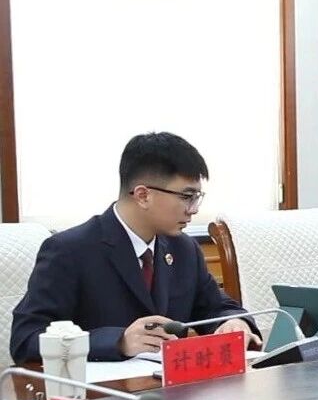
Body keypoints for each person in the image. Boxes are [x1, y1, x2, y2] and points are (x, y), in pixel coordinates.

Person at [10, 132, 257, 363]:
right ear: (142, 195)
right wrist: (118, 341)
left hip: (172, 388)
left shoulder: (184, 249)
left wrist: (234, 323)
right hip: (101, 390)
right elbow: (25, 339)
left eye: (197, 198)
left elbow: (217, 308)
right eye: (186, 197)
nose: (193, 209)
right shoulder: (69, 250)